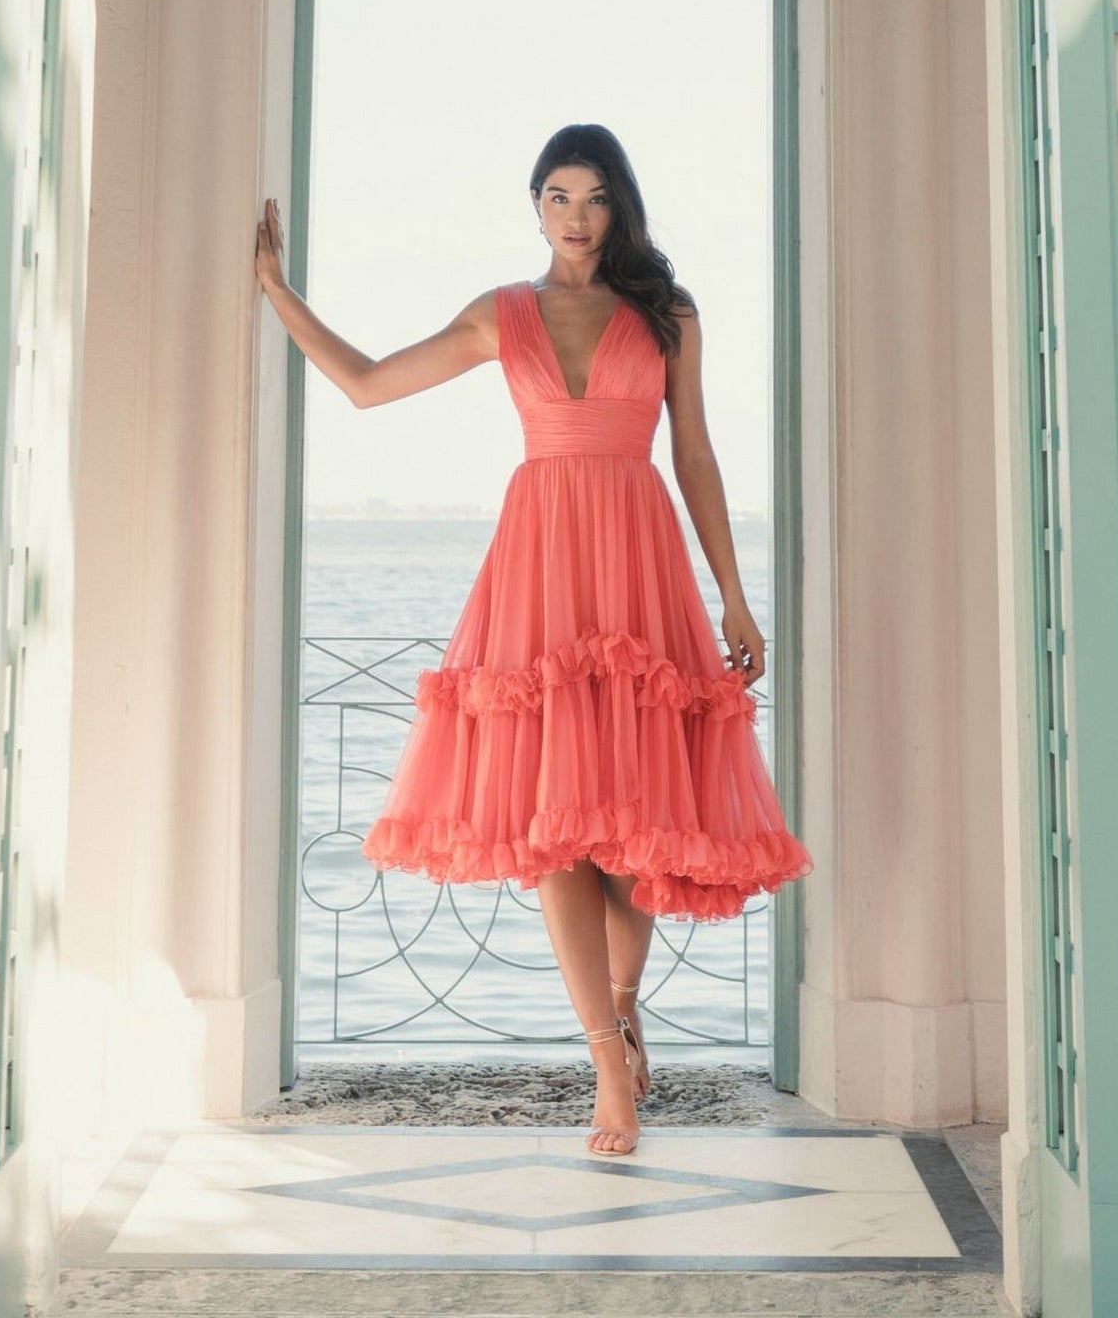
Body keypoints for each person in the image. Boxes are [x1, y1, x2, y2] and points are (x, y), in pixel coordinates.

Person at [255, 122, 813, 1159]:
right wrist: (278, 295)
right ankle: (604, 1059)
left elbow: (694, 453)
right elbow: (368, 383)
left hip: (640, 564)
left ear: (619, 204)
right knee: (559, 823)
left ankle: (623, 1006)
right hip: (541, 570)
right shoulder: (502, 313)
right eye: (559, 196)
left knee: (639, 821)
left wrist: (735, 597)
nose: (576, 217)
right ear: (535, 205)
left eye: (594, 197)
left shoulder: (667, 312)